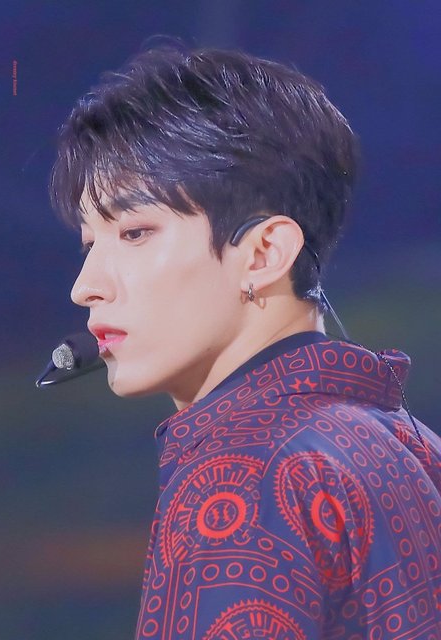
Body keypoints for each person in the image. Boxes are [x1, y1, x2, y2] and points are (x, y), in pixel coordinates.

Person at [49, 46, 441, 639]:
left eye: (135, 232)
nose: (85, 287)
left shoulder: (239, 474)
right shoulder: (406, 439)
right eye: (88, 243)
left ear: (263, 253)